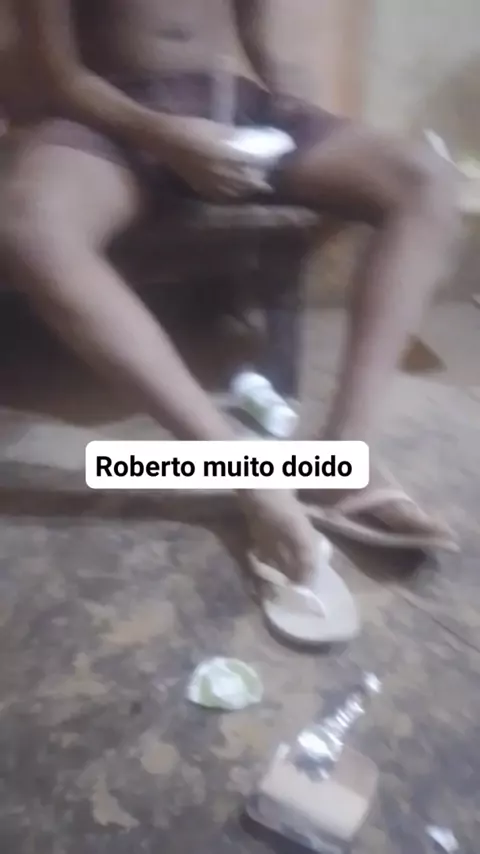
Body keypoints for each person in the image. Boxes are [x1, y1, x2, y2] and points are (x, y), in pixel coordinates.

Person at [2, 0, 459, 583]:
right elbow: (60, 76)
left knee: (427, 182)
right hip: (108, 115)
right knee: (31, 225)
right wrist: (163, 136)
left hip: (233, 109)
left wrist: (293, 116)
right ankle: (244, 472)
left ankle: (345, 462)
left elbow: (263, 38)